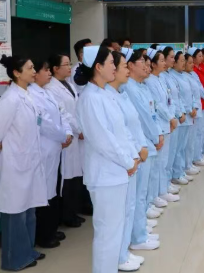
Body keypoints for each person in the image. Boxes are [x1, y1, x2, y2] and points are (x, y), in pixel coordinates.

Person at [75, 45, 140, 273]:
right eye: (112, 63)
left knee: (114, 231)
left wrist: (131, 157)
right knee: (107, 234)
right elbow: (104, 141)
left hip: (116, 173)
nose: (115, 67)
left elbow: (121, 131)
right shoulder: (90, 99)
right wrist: (128, 162)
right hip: (105, 176)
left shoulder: (104, 94)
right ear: (98, 67)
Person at [0, 55, 48, 271]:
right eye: (30, 68)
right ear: (17, 73)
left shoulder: (27, 95)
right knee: (15, 213)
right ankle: (13, 260)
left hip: (29, 163)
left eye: (34, 67)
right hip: (15, 166)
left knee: (28, 211)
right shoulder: (10, 100)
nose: (34, 71)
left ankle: (27, 251)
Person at [106, 50, 157, 271]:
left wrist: (138, 150)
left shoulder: (120, 93)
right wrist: (133, 155)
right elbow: (112, 136)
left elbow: (132, 126)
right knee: (122, 211)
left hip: (133, 155)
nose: (126, 70)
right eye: (123, 66)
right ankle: (124, 250)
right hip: (123, 161)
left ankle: (129, 245)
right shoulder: (104, 97)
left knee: (132, 204)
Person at [30, 58, 73, 249]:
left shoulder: (46, 92)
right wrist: (63, 135)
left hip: (55, 147)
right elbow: (45, 123)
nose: (49, 73)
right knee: (44, 193)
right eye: (45, 70)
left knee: (53, 190)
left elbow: (62, 114)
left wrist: (68, 133)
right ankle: (44, 235)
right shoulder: (32, 95)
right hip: (45, 148)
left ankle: (51, 229)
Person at [123, 49, 164, 231]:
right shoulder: (130, 88)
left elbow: (151, 112)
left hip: (147, 140)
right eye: (143, 62)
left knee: (142, 188)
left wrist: (157, 134)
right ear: (130, 65)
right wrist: (155, 136)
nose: (147, 67)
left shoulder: (140, 86)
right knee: (138, 191)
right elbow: (143, 117)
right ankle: (139, 229)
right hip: (142, 143)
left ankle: (141, 224)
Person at [46, 54, 86, 229]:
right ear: (55, 68)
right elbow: (64, 114)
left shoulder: (68, 84)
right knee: (66, 179)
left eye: (70, 64)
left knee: (75, 177)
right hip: (67, 136)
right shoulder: (51, 88)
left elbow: (75, 109)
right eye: (66, 64)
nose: (70, 67)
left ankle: (72, 213)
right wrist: (78, 129)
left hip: (75, 136)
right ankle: (66, 216)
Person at [144, 49, 179, 209]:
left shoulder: (160, 78)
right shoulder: (150, 81)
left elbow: (168, 100)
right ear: (153, 64)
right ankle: (155, 195)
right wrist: (170, 117)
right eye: (162, 60)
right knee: (157, 164)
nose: (165, 63)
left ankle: (162, 189)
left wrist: (171, 117)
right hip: (160, 124)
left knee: (164, 161)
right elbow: (158, 105)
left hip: (167, 124)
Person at [159, 46, 186, 198]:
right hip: (166, 122)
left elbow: (173, 98)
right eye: (170, 57)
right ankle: (164, 187)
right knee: (164, 158)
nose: (172, 60)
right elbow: (159, 104)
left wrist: (176, 114)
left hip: (172, 119)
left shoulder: (166, 76)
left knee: (171, 154)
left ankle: (167, 182)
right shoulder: (158, 78)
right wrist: (171, 117)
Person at [168, 51, 194, 186]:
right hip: (179, 116)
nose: (184, 63)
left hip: (184, 114)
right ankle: (176, 174)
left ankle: (181, 171)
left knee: (182, 147)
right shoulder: (171, 76)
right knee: (177, 149)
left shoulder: (182, 75)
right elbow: (175, 98)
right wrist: (182, 112)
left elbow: (187, 94)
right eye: (181, 60)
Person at [190, 48, 204, 167]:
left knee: (201, 131)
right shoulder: (193, 70)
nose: (202, 58)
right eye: (199, 56)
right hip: (200, 104)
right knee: (198, 132)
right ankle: (196, 156)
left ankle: (199, 154)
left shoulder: (198, 70)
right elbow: (199, 88)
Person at [183, 51, 204, 176]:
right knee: (188, 141)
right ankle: (188, 164)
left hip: (195, 109)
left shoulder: (192, 74)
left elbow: (197, 90)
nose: (192, 65)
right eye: (189, 62)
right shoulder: (182, 77)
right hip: (188, 113)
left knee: (195, 136)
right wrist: (191, 108)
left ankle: (192, 161)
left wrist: (196, 106)